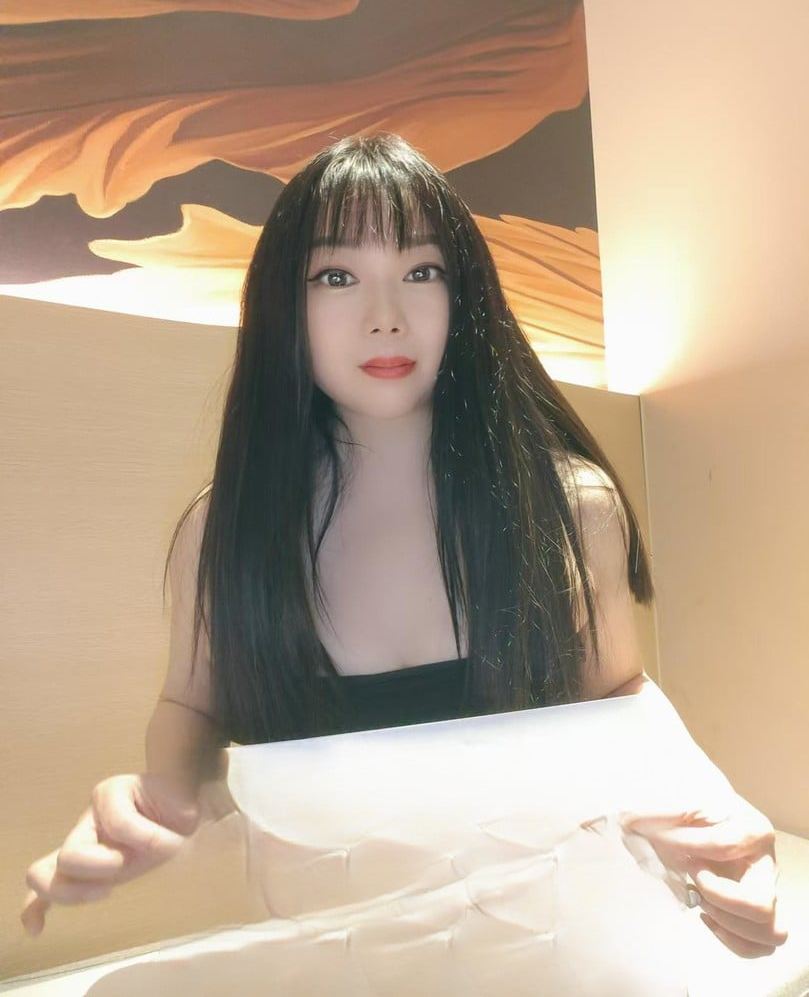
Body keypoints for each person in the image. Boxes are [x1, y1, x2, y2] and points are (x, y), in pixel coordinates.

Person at [22, 134, 787, 959]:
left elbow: (620, 693)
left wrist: (718, 811)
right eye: (336, 276)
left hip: (552, 933)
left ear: (466, 296)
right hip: (337, 945)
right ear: (283, 303)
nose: (384, 314)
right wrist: (159, 800)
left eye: (421, 271)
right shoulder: (225, 532)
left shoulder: (570, 506)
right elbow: (191, 707)